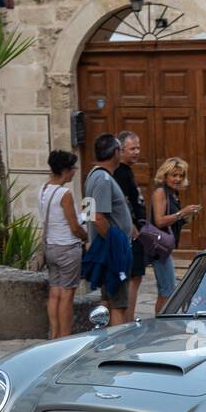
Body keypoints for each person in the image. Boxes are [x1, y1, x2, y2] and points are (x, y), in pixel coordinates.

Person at [83, 133, 135, 324]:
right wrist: (116, 244)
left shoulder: (92, 176)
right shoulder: (103, 179)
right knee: (118, 304)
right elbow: (97, 216)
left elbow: (88, 211)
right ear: (115, 152)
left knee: (108, 299)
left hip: (105, 249)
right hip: (111, 251)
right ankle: (116, 346)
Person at [39, 149, 87, 339]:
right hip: (67, 248)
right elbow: (74, 226)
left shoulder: (43, 189)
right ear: (65, 170)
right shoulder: (64, 194)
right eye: (73, 168)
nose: (75, 172)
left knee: (55, 292)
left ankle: (54, 335)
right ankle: (64, 337)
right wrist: (86, 237)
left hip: (50, 247)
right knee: (67, 295)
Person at [148, 157, 201, 313]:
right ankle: (160, 324)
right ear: (165, 176)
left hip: (166, 248)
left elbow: (172, 219)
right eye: (174, 175)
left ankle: (160, 322)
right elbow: (159, 221)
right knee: (168, 291)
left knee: (165, 291)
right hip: (159, 249)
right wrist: (182, 212)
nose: (178, 179)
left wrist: (186, 217)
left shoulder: (173, 194)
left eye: (181, 175)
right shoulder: (160, 192)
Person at [112, 131, 148, 314]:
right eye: (132, 148)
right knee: (132, 278)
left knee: (136, 277)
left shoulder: (127, 171)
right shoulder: (120, 173)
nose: (136, 152)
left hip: (135, 232)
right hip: (130, 234)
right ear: (121, 150)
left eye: (138, 147)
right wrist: (132, 228)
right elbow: (121, 203)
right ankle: (126, 320)